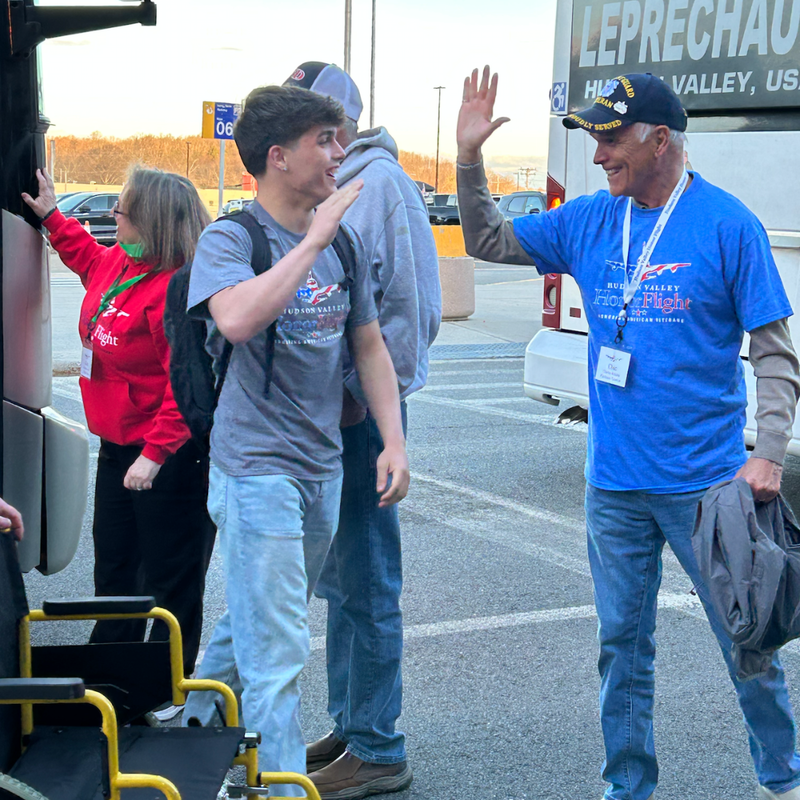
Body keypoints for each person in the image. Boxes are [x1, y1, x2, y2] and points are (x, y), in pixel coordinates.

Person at [456, 67, 800, 800]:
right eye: (594, 138)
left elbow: (774, 351)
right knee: (622, 649)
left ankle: (785, 778)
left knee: (749, 644)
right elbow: (486, 238)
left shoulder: (726, 223)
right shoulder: (587, 219)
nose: (600, 152)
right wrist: (466, 157)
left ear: (660, 139)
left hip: (707, 490)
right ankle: (627, 788)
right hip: (612, 486)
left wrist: (767, 454)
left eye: (611, 138)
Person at [181, 85, 410, 794]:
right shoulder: (232, 238)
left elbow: (368, 346)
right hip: (255, 472)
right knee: (278, 649)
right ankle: (276, 785)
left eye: (340, 139)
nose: (341, 152)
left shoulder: (341, 239)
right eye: (325, 140)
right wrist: (310, 242)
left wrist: (393, 443)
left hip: (323, 469)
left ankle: (188, 732)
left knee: (256, 617)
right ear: (277, 157)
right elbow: (239, 320)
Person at [283, 62, 441, 799]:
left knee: (370, 579)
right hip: (332, 414)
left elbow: (409, 313)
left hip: (360, 416)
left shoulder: (379, 185)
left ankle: (379, 745)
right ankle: (354, 726)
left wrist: (364, 404)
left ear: (337, 126)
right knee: (345, 583)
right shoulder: (342, 184)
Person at [22, 168, 216, 690]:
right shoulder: (120, 262)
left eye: (123, 210)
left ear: (150, 221)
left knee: (169, 577)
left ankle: (168, 684)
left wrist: (154, 454)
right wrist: (51, 217)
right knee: (114, 569)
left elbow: (187, 386)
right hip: (119, 446)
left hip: (167, 455)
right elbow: (87, 257)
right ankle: (114, 677)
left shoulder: (177, 289)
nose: (113, 214)